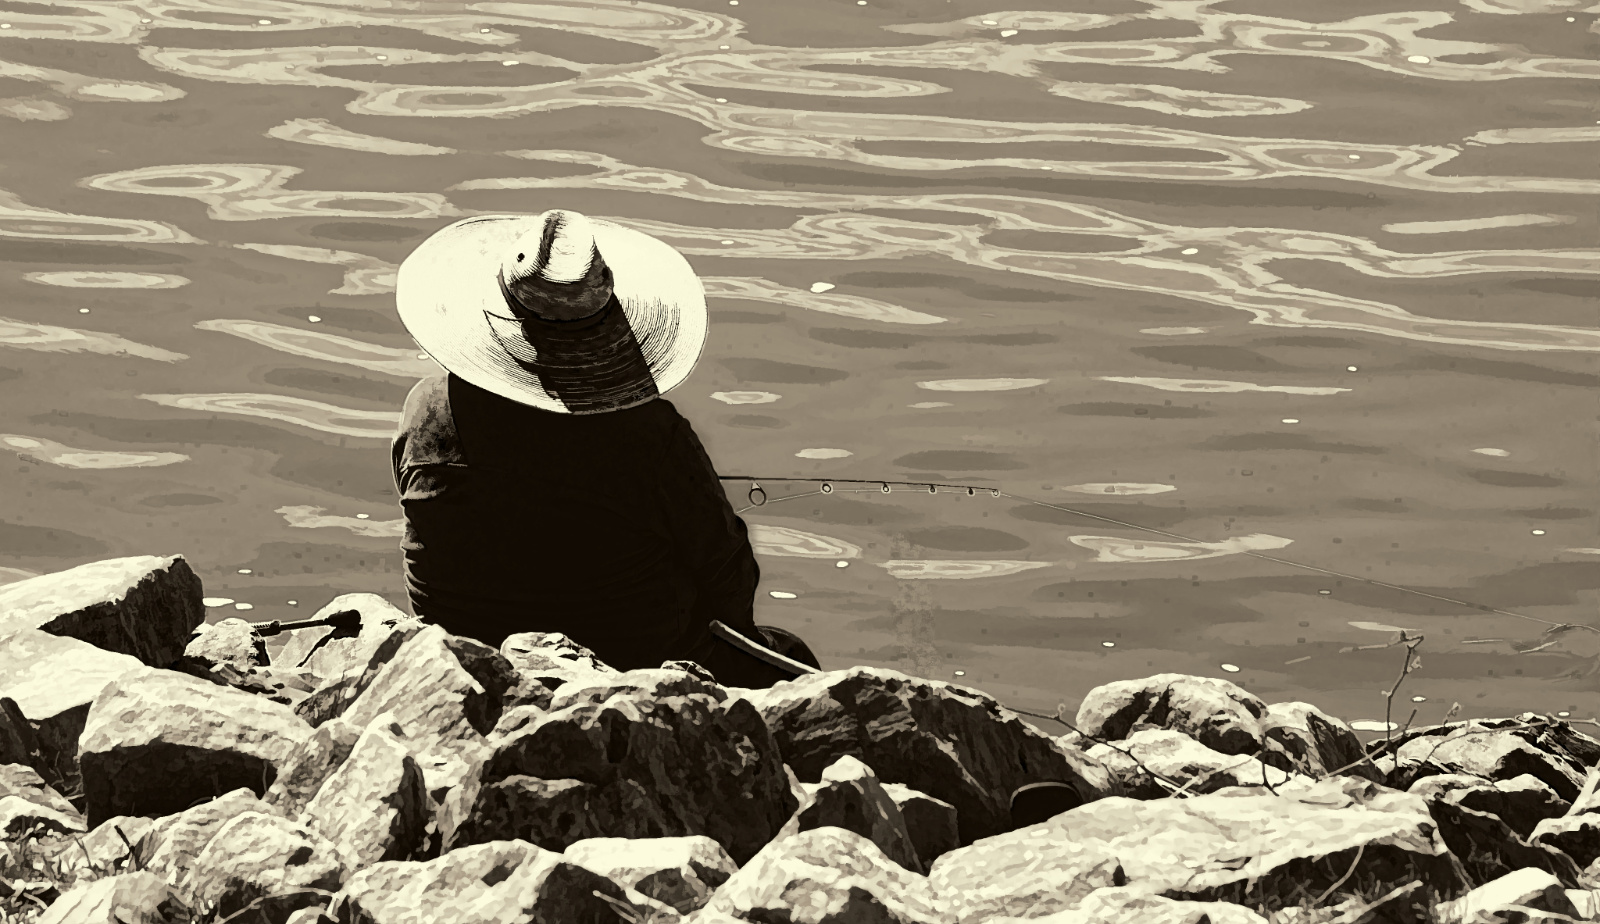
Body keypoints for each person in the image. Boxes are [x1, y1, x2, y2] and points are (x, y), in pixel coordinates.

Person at [389, 209, 820, 688]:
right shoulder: (652, 435)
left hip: (463, 651)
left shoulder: (425, 409)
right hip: (632, 662)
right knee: (792, 660)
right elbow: (726, 570)